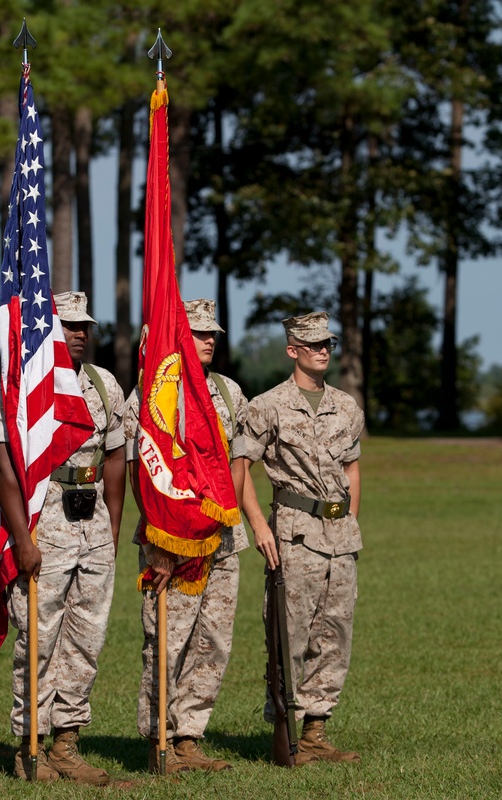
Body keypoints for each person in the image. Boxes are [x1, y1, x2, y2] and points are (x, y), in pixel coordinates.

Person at [0, 291, 125, 785]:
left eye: (85, 325)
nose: (81, 333)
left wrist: (112, 526)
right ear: (48, 329)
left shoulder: (105, 385)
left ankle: (68, 743)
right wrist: (23, 538)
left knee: (87, 638)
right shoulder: (19, 385)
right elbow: (4, 468)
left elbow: (114, 459)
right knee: (39, 639)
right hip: (45, 522)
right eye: (70, 325)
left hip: (92, 525)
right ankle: (31, 746)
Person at [124, 298, 248, 773]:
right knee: (167, 641)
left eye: (213, 332)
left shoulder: (229, 392)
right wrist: (160, 545)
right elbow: (142, 475)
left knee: (213, 640)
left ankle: (190, 736)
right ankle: (158, 740)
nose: (210, 339)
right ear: (177, 339)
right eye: (199, 333)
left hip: (220, 539)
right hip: (169, 539)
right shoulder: (152, 392)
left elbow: (236, 465)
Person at [241, 311, 364, 766]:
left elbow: (351, 467)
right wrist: (258, 525)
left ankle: (316, 733)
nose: (323, 351)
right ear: (292, 350)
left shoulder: (346, 406)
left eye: (327, 344)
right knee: (287, 635)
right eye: (313, 345)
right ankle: (285, 729)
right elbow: (242, 471)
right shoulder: (266, 405)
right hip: (293, 535)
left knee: (334, 634)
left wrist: (351, 518)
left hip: (340, 536)